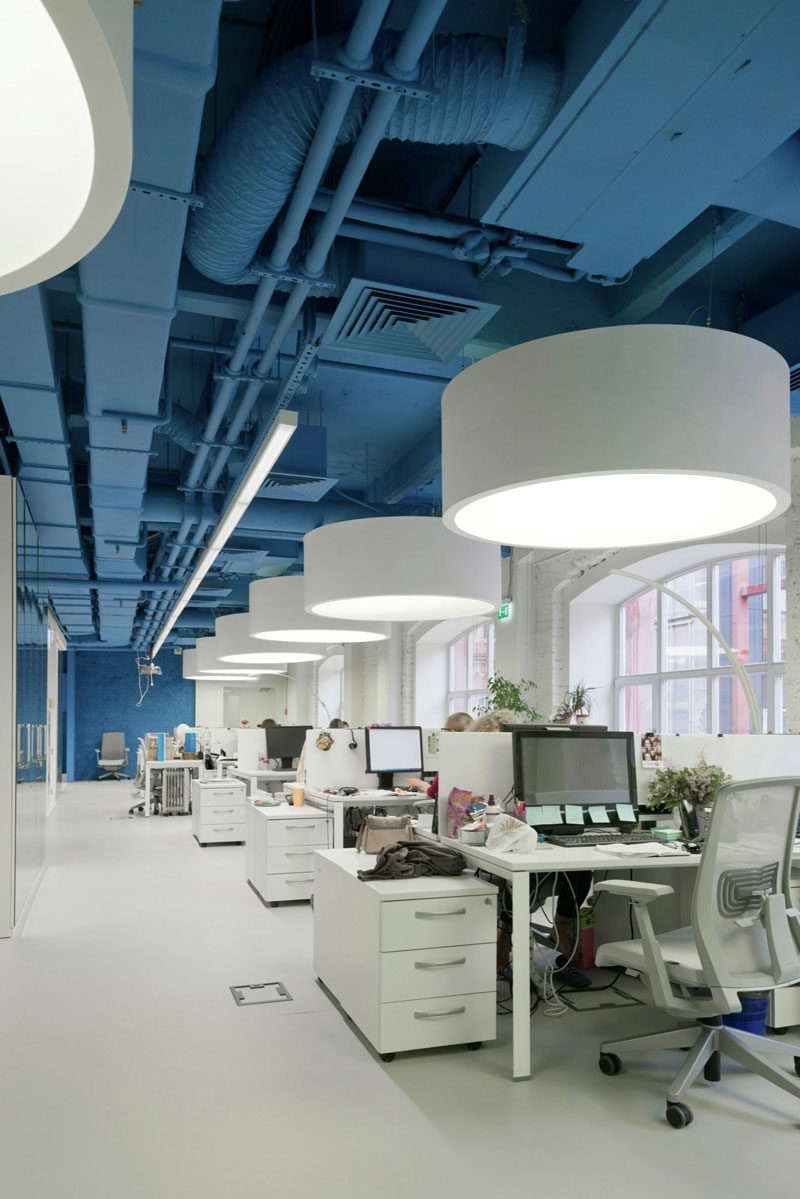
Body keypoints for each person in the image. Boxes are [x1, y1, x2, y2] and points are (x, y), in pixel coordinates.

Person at [470, 710, 592, 988]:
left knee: (582, 868)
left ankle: (561, 936)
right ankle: (503, 952)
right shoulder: (473, 761)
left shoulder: (536, 761)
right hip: (495, 839)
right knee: (518, 879)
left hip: (537, 831)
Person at [405, 711, 471, 799]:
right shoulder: (476, 754)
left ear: (452, 732)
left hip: (455, 810)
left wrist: (420, 783)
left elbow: (433, 792)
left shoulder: (450, 759)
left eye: (444, 730)